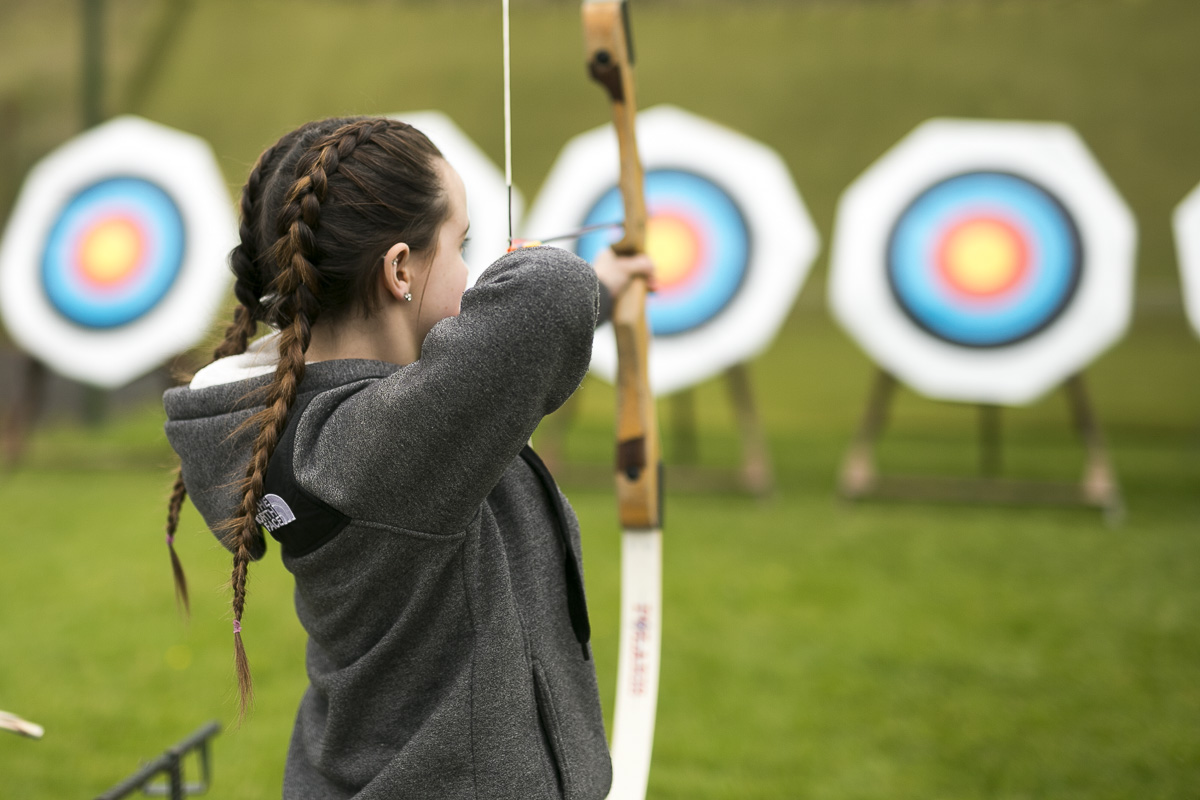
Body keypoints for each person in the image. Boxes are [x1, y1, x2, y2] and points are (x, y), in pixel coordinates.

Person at [161, 116, 653, 799]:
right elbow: (544, 302)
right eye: (465, 244)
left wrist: (603, 283)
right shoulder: (382, 449)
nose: (477, 272)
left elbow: (494, 358)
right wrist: (541, 261)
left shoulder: (304, 426)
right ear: (399, 269)